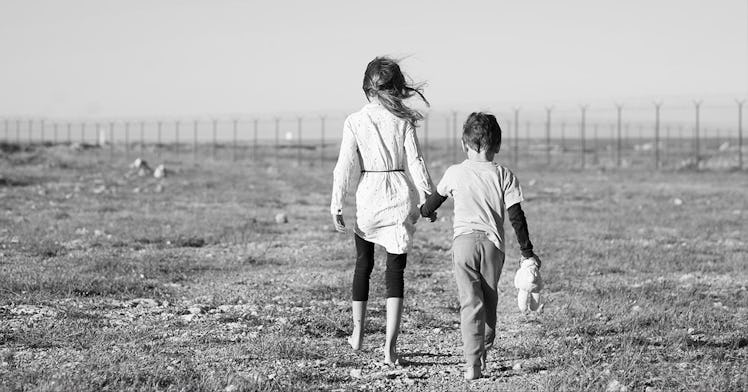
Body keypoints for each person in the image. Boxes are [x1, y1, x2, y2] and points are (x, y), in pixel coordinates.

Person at [419, 112, 542, 380]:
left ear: (464, 144)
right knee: (489, 299)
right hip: (492, 247)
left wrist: (424, 211)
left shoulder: (454, 172)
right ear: (497, 146)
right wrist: (527, 253)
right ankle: (484, 348)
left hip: (463, 245)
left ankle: (472, 363)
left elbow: (434, 201)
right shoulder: (504, 175)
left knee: (469, 302)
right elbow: (516, 217)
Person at [330, 56, 435, 365]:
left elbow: (345, 167)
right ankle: (390, 346)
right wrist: (427, 200)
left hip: (368, 197)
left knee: (363, 264)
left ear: (367, 88)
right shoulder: (403, 121)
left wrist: (337, 203)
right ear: (396, 88)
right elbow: (416, 162)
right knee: (395, 273)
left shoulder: (354, 120)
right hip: (398, 194)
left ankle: (358, 332)